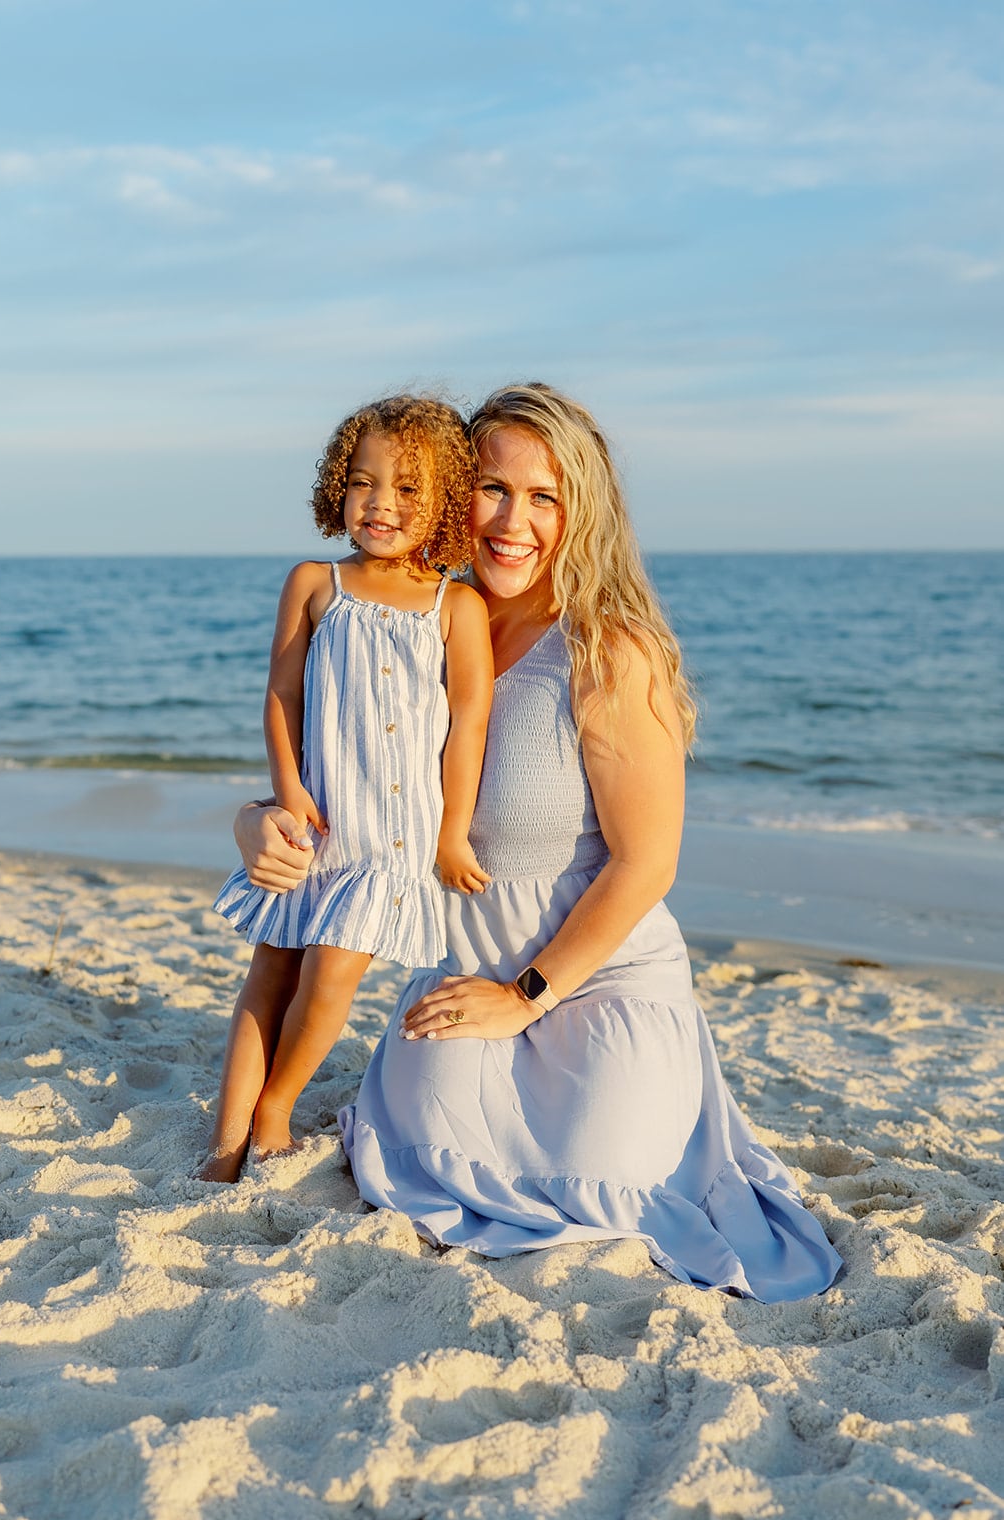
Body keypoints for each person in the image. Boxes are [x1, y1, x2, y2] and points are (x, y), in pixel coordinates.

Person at [232, 383, 843, 1301]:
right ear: (448, 493)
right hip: (461, 972)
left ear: (579, 513)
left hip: (592, 978)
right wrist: (256, 820)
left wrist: (525, 998)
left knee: (609, 1179)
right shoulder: (428, 617)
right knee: (425, 1149)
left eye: (545, 497)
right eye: (491, 488)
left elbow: (646, 864)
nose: (513, 521)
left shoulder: (606, 650)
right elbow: (347, 774)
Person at [197, 395, 493, 1182]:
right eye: (363, 483)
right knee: (271, 969)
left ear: (441, 505)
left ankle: (275, 1108)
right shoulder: (314, 582)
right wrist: (285, 792)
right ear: (338, 486)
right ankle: (226, 1143)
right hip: (318, 824)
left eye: (406, 490)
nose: (381, 504)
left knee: (332, 976)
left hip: (393, 839)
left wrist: (451, 832)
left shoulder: (453, 606)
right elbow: (280, 695)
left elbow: (468, 726)